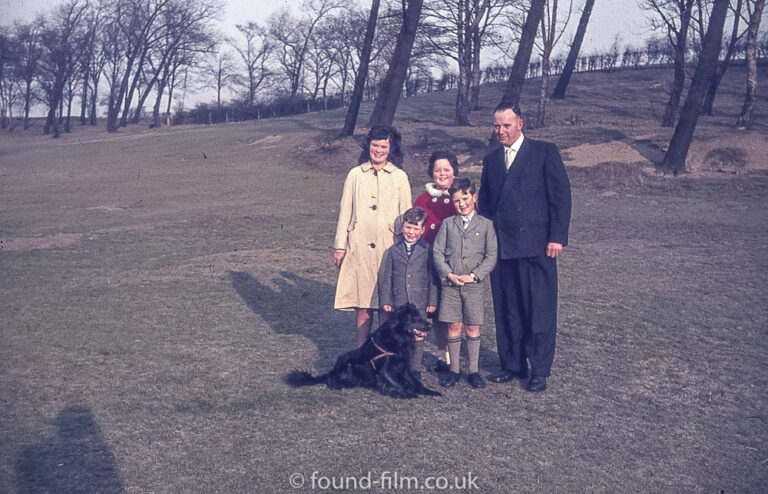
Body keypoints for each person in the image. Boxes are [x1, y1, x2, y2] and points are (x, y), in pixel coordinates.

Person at [478, 103, 572, 392]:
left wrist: (556, 236)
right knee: (508, 308)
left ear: (521, 124)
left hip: (537, 246)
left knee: (539, 309)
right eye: (496, 126)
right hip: (503, 247)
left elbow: (561, 196)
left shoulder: (545, 152)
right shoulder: (491, 160)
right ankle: (512, 364)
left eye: (506, 125)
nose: (500, 131)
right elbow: (486, 204)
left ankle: (539, 369)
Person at [333, 125, 413, 348]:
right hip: (359, 249)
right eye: (374, 145)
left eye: (383, 146)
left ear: (391, 148)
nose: (378, 150)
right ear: (368, 146)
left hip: (389, 249)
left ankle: (382, 353)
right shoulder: (355, 175)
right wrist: (340, 246)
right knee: (363, 304)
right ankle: (362, 353)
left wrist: (406, 249)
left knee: (385, 305)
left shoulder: (399, 177)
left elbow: (408, 216)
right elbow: (345, 212)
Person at [432, 178, 497, 389]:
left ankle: (474, 371)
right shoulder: (448, 224)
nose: (462, 204)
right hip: (451, 285)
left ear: (474, 197)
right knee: (454, 325)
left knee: (471, 326)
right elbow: (437, 253)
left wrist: (475, 275)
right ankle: (454, 371)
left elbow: (491, 255)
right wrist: (449, 274)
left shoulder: (486, 225)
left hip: (474, 286)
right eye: (457, 200)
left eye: (465, 198)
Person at [413, 149, 459, 373]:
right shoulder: (422, 198)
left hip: (453, 262)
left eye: (447, 170)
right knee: (436, 311)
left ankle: (457, 358)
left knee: (453, 312)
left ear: (454, 172)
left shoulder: (460, 197)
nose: (442, 174)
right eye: (437, 170)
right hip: (428, 261)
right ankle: (443, 355)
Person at [378, 207, 438, 373]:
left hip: (419, 302)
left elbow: (433, 277)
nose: (411, 232)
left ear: (423, 229)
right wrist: (386, 300)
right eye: (408, 227)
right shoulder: (392, 251)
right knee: (399, 334)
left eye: (415, 228)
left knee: (418, 336)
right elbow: (386, 277)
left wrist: (432, 301)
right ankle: (399, 366)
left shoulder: (429, 250)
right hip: (399, 302)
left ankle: (415, 367)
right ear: (402, 227)